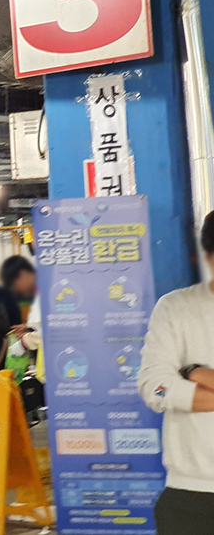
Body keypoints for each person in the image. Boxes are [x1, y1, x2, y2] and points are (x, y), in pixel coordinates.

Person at [139, 211, 214, 533]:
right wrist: (179, 384)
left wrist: (195, 373)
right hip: (191, 493)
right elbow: (155, 386)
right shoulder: (175, 308)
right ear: (207, 255)